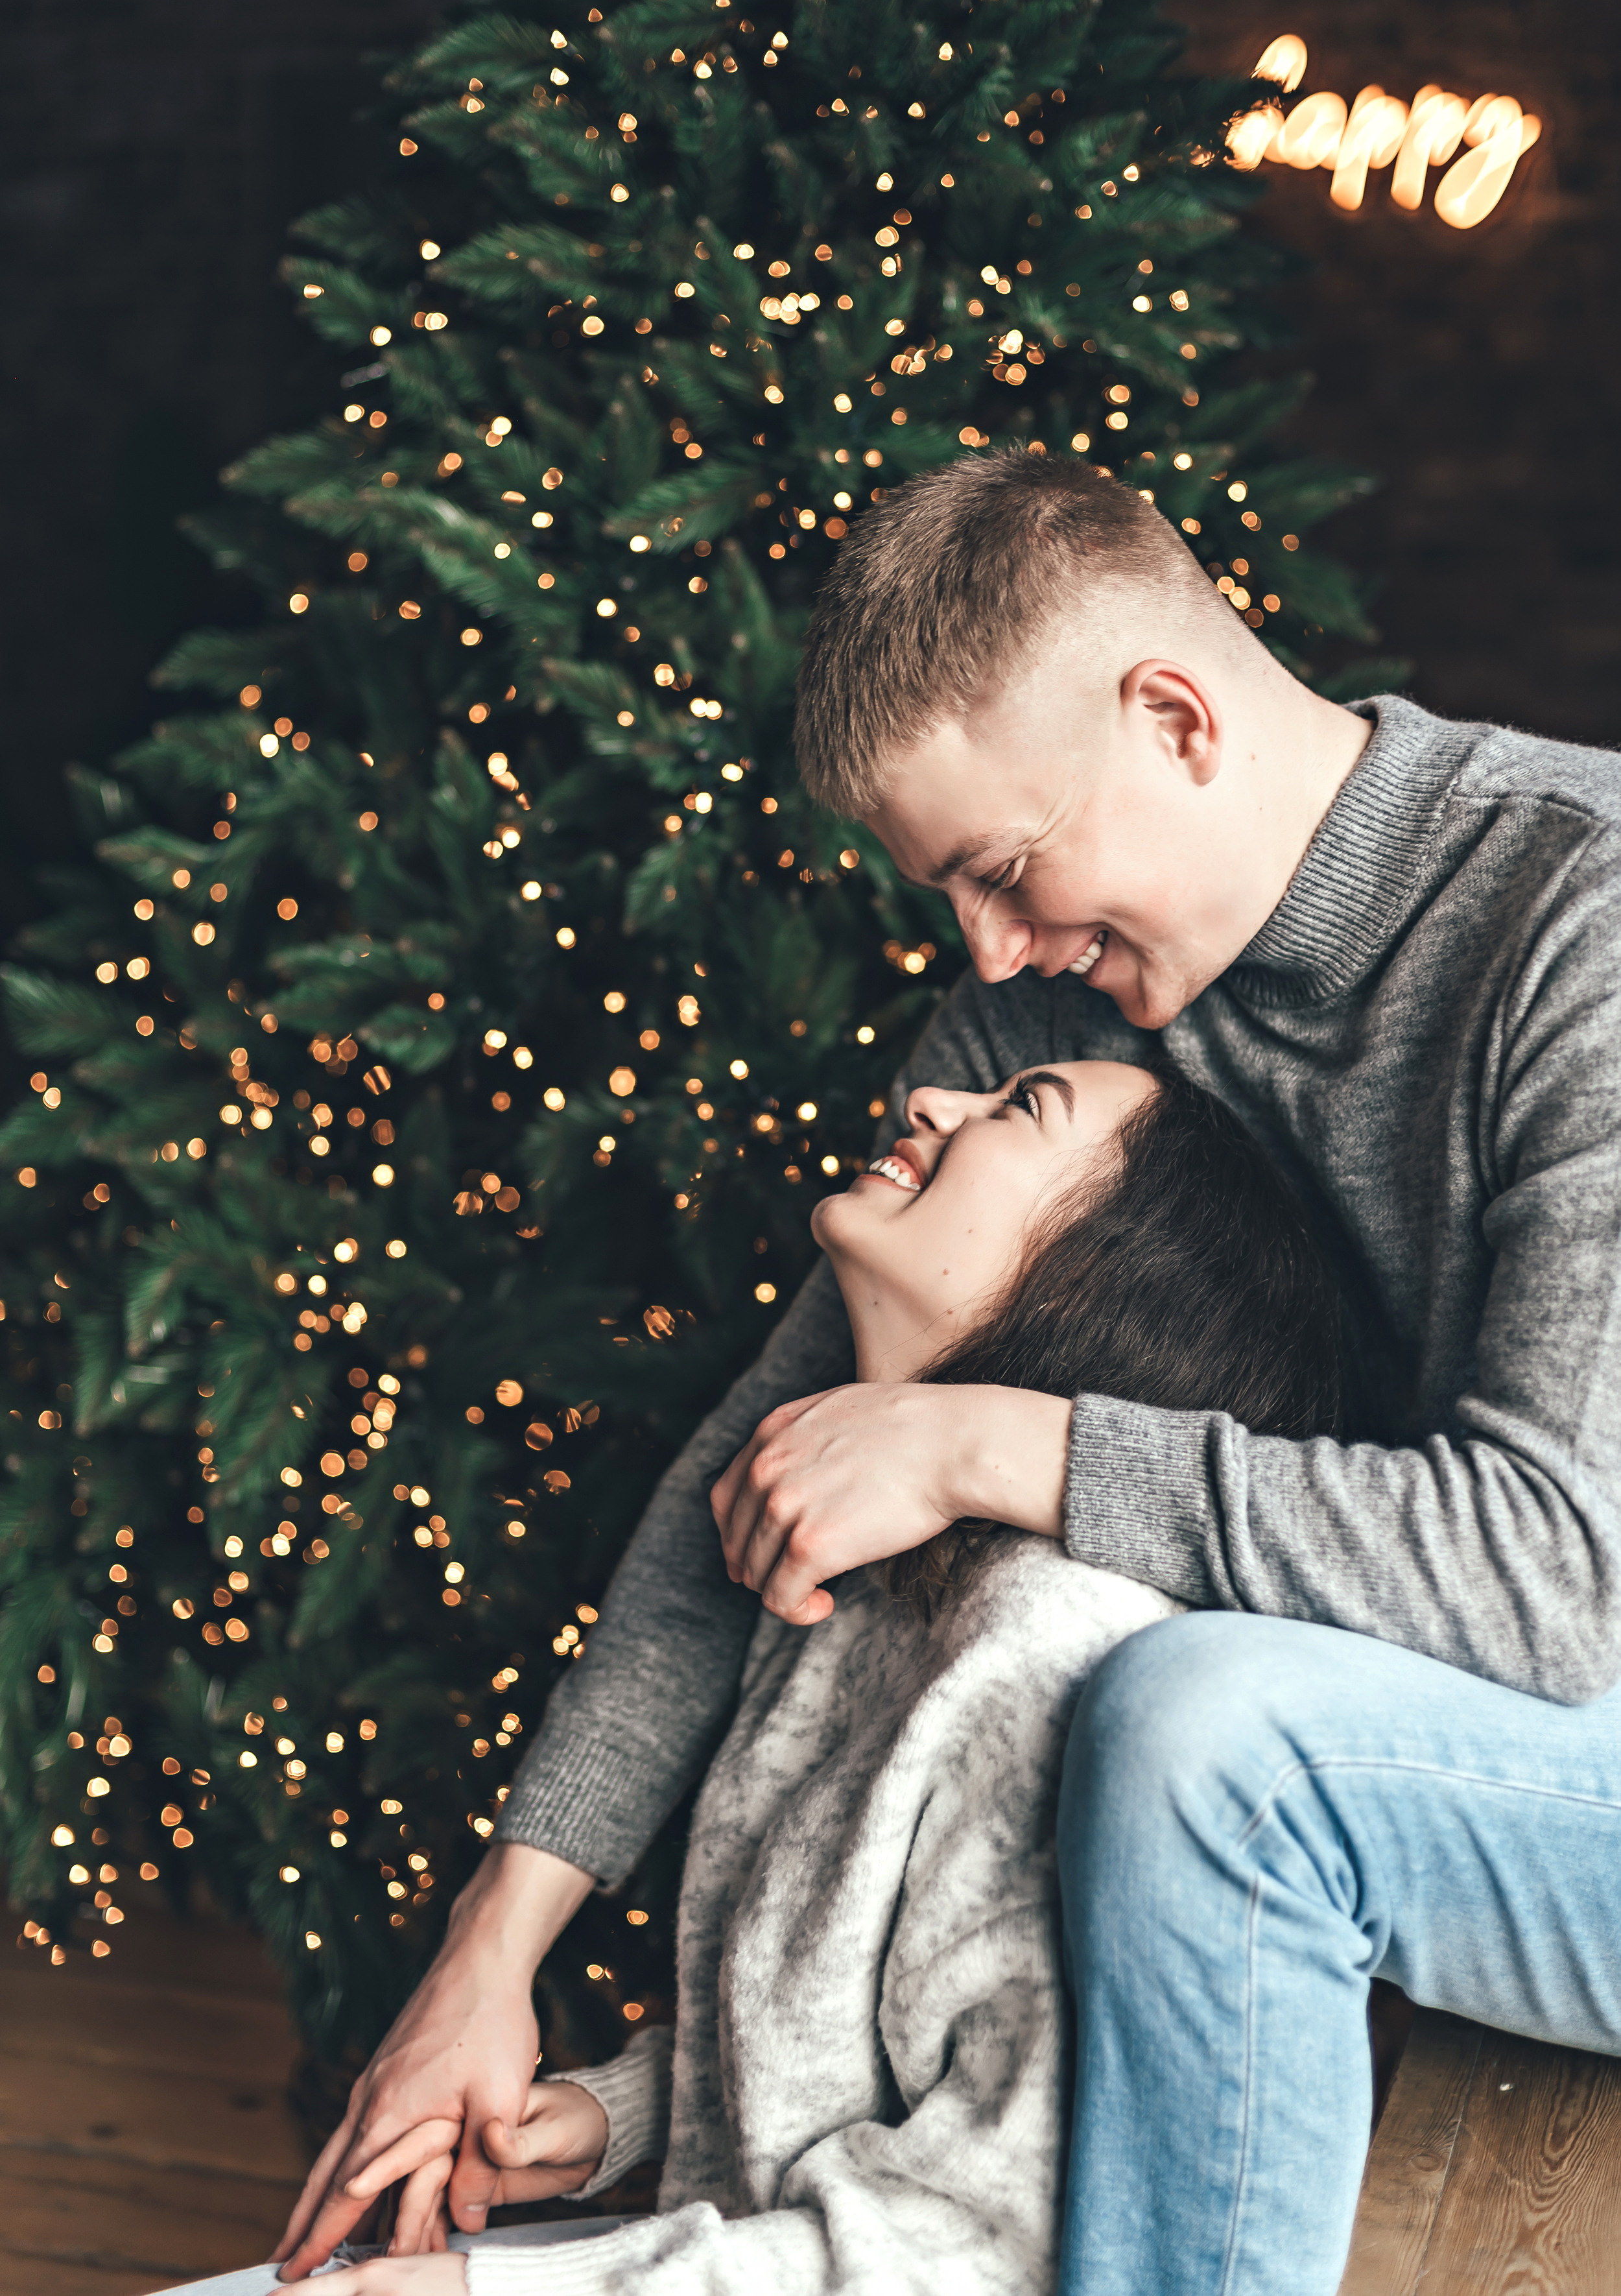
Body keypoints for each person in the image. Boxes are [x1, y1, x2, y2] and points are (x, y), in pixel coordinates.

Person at [277, 451, 1621, 2296]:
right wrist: (491, 1950)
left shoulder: (1579, 909)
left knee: (1203, 1720)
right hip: (1385, 1723)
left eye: (1003, 867)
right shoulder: (1041, 1021)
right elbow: (758, 1473)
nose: (979, 957)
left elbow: (1557, 1579)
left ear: (1173, 717)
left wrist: (991, 1437)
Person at [239, 1057, 1353, 2295]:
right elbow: (872, 2052)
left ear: (1118, 1281)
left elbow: (984, 2247)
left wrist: (501, 2290)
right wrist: (621, 2113)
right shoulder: (859, 1565)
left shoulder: (1047, 1661)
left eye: (1020, 1109)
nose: (932, 1098)